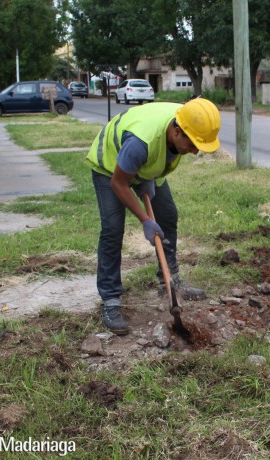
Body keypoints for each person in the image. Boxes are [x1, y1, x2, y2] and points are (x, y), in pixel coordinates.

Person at [85, 98, 221, 333]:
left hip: (143, 164)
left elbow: (159, 155)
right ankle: (110, 300)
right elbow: (119, 183)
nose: (195, 151)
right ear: (176, 132)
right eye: (192, 144)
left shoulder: (185, 121)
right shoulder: (141, 143)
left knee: (167, 215)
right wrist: (146, 220)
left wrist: (147, 177)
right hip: (110, 169)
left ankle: (170, 281)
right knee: (113, 228)